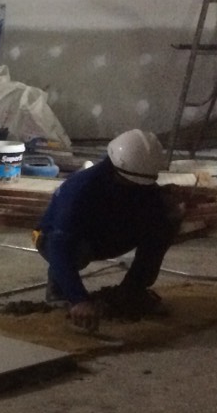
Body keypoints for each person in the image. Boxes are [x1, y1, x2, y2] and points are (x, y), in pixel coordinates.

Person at [33, 128, 180, 332]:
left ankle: (132, 290)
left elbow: (153, 211)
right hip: (53, 238)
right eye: (131, 182)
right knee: (72, 248)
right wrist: (78, 299)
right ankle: (60, 289)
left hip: (100, 233)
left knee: (166, 221)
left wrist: (169, 207)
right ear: (115, 169)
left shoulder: (138, 182)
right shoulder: (80, 189)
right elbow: (60, 244)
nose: (137, 187)